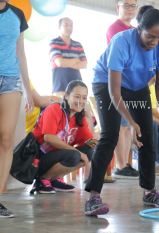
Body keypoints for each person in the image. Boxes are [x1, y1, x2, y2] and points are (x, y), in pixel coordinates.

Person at [85, 8, 159, 216]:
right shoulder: (121, 42)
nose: (155, 41)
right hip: (107, 84)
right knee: (110, 135)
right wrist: (131, 122)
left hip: (137, 85)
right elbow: (115, 93)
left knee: (147, 135)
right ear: (138, 28)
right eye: (150, 36)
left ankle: (149, 191)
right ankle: (93, 197)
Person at [0, 0, 34, 218]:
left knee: (5, 139)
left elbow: (20, 52)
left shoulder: (17, 14)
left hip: (11, 79)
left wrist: (28, 88)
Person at [31, 81, 94, 193]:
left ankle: (54, 179)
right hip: (38, 159)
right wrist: (79, 153)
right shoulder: (55, 109)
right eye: (77, 96)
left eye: (84, 98)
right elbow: (49, 138)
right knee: (74, 155)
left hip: (58, 155)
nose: (80, 101)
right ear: (66, 96)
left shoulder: (79, 117)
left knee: (91, 151)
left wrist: (101, 144)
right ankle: (42, 180)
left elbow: (89, 141)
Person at [106, 0, 140, 180]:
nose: (130, 8)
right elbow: (124, 55)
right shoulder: (114, 28)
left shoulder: (135, 30)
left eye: (133, 5)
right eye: (126, 5)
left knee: (127, 127)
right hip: (118, 81)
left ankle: (126, 164)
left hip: (131, 82)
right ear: (117, 8)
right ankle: (120, 165)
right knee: (121, 125)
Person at [49, 17, 87, 96]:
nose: (69, 27)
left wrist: (65, 62)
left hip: (77, 86)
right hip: (60, 86)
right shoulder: (54, 42)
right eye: (66, 25)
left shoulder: (78, 45)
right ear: (59, 27)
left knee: (79, 107)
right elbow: (59, 62)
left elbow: (84, 64)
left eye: (71, 25)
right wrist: (76, 60)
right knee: (60, 107)